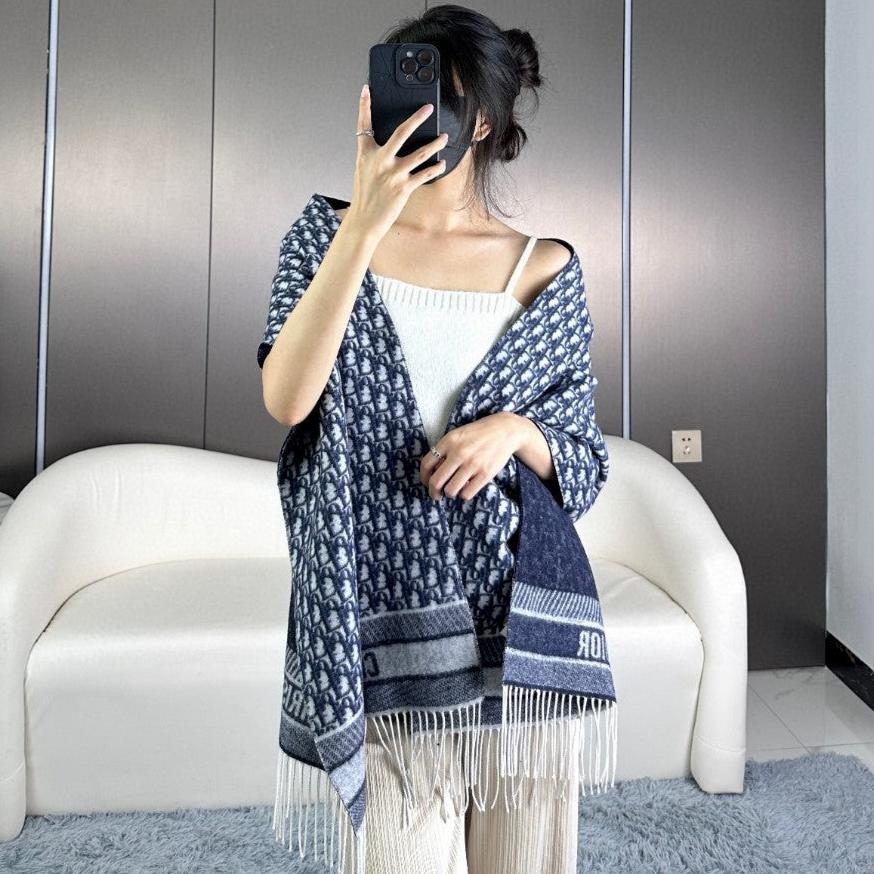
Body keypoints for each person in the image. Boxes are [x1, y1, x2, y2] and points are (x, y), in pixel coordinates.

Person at [260, 6, 611, 873]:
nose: (411, 115)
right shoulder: (325, 234)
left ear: (480, 121)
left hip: (519, 633)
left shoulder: (544, 267)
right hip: (380, 634)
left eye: (439, 98)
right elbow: (287, 399)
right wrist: (364, 224)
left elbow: (584, 460)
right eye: (396, 91)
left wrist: (513, 430)